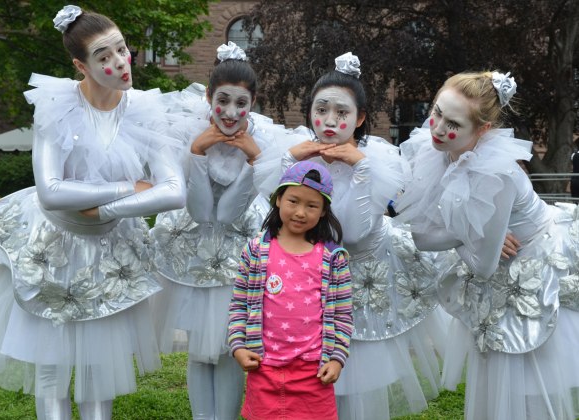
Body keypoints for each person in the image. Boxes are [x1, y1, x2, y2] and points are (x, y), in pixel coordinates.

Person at [0, 6, 186, 419]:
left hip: (110, 247)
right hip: (52, 247)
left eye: (122, 49)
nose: (120, 62)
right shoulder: (56, 104)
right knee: (51, 370)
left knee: (99, 370)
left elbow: (174, 191)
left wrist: (104, 206)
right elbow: (51, 192)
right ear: (79, 65)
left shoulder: (144, 108)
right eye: (104, 56)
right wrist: (131, 188)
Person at [254, 53, 449, 419]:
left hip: (362, 282)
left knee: (358, 389)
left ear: (359, 118)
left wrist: (359, 169)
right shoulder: (297, 153)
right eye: (321, 109)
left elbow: (352, 235)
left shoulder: (377, 159)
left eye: (341, 113)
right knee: (309, 387)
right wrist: (289, 165)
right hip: (308, 286)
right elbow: (284, 223)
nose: (330, 121)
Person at [395, 70, 579, 420]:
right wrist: (470, 234)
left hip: (532, 265)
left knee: (523, 374)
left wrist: (467, 237)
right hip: (494, 263)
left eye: (452, 123)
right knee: (493, 366)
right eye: (436, 112)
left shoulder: (498, 173)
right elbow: (421, 236)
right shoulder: (435, 150)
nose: (436, 128)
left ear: (482, 131)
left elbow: (483, 265)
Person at [150, 41, 279, 419]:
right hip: (192, 250)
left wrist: (255, 161)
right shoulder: (188, 132)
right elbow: (203, 212)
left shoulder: (264, 141)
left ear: (253, 102)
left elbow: (227, 216)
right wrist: (196, 154)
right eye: (223, 100)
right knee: (199, 350)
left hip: (238, 255)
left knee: (229, 348)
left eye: (242, 103)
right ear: (208, 96)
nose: (231, 112)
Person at [228, 160, 352, 420]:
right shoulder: (256, 251)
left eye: (311, 206)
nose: (300, 212)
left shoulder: (333, 258)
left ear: (323, 212)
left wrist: (337, 358)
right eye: (293, 201)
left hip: (313, 374)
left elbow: (342, 315)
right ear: (277, 199)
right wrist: (238, 346)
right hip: (264, 369)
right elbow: (240, 304)